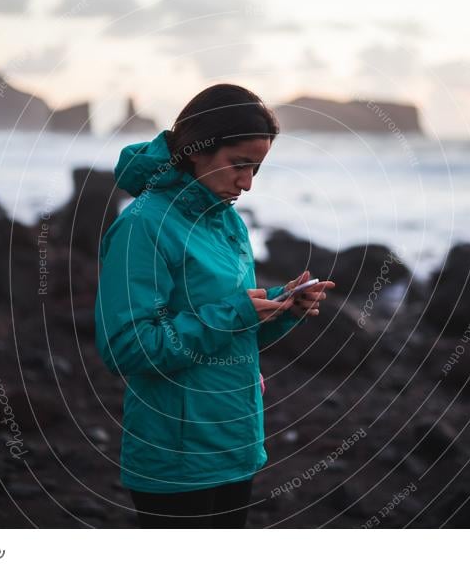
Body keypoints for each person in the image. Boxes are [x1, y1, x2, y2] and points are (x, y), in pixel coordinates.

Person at [94, 84, 335, 528]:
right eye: (238, 164)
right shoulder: (142, 225)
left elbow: (230, 334)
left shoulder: (228, 223)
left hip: (235, 443)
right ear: (195, 150)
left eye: (257, 168)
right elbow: (127, 346)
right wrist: (236, 312)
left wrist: (284, 309)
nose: (247, 182)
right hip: (177, 456)